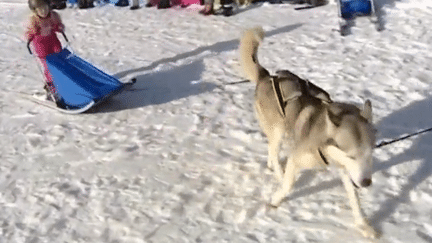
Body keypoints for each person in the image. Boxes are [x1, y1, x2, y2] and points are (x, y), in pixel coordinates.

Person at [24, 0, 65, 103]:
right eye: (40, 10)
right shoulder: (34, 20)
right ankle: (51, 87)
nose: (44, 12)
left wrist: (59, 27)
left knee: (60, 59)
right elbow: (28, 32)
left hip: (52, 40)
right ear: (35, 11)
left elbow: (57, 26)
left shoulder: (53, 16)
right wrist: (31, 33)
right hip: (41, 44)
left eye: (45, 8)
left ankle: (64, 82)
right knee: (48, 65)